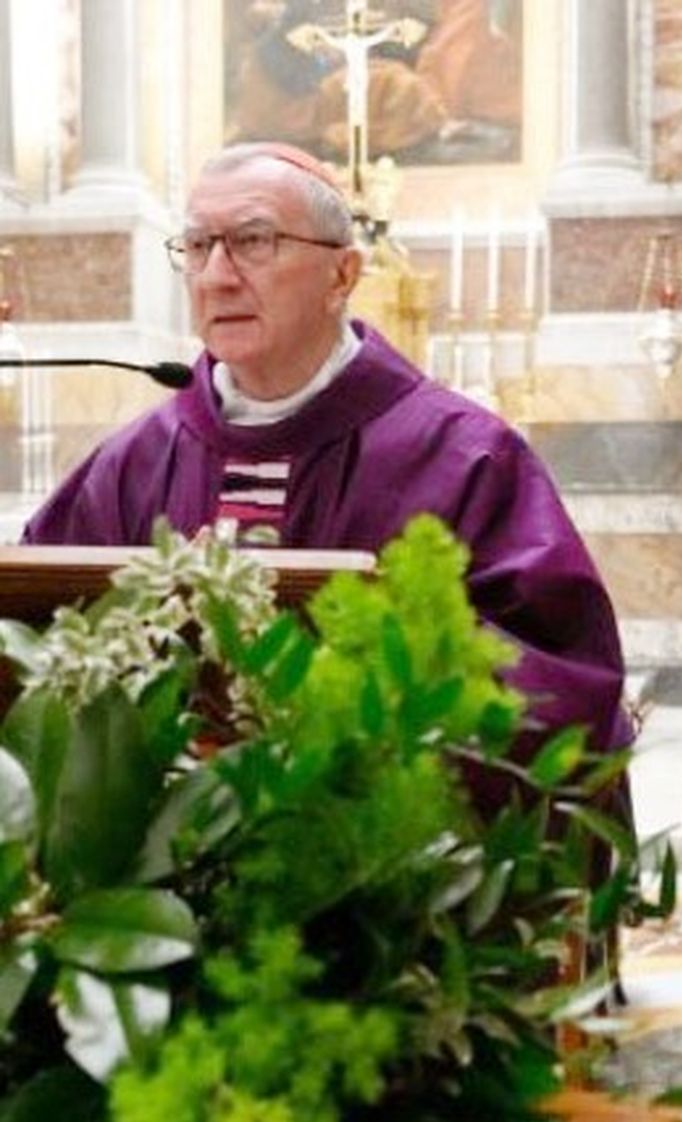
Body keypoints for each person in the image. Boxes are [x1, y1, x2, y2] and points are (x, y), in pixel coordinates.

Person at [22, 143, 629, 805]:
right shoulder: (132, 465)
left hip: (382, 856)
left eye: (253, 241)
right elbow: (27, 645)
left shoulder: (467, 458)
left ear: (341, 276)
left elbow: (564, 687)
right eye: (198, 247)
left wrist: (340, 674)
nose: (216, 276)